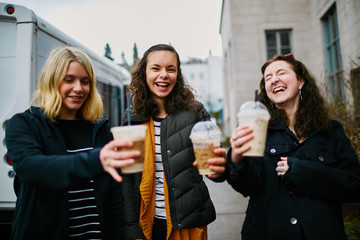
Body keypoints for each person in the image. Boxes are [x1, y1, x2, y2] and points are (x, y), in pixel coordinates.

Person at [5, 46, 140, 239]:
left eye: (85, 82)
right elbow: (30, 168)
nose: (79, 88)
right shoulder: (25, 124)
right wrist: (96, 160)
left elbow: (114, 198)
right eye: (69, 80)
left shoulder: (101, 129)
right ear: (51, 80)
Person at [227, 54, 360, 240]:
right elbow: (248, 186)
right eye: (268, 77)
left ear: (301, 81)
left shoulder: (330, 130)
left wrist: (304, 172)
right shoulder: (259, 130)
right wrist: (236, 158)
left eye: (281, 72)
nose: (274, 79)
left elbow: (353, 185)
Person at [120, 44, 227, 240]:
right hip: (147, 225)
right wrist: (130, 228)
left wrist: (219, 169)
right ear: (144, 73)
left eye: (171, 69)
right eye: (156, 68)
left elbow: (215, 166)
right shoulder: (132, 118)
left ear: (177, 75)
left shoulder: (195, 112)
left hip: (188, 223)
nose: (164, 75)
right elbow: (127, 179)